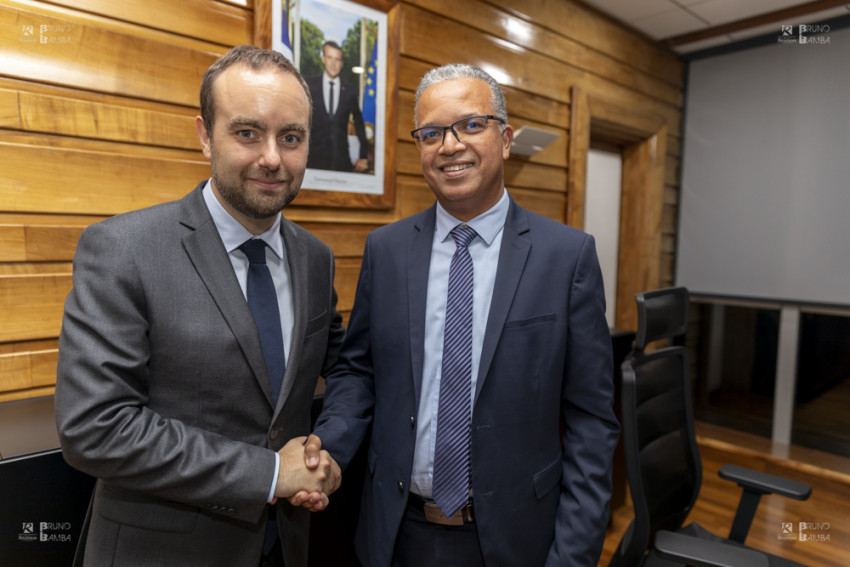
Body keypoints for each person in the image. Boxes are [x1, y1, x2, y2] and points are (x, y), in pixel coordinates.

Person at [307, 63, 620, 566]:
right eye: (431, 133)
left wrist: (574, 556)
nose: (450, 146)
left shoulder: (567, 257)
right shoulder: (385, 251)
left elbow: (591, 423)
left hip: (517, 539)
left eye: (471, 125)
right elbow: (358, 371)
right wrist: (329, 447)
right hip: (395, 533)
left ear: (506, 138)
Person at [54, 45, 344, 567]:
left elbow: (343, 368)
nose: (273, 158)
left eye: (291, 137)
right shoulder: (123, 249)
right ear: (206, 135)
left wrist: (327, 456)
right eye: (248, 132)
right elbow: (95, 427)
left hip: (286, 544)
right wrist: (271, 474)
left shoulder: (315, 259)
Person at [306, 40, 370, 172]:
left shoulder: (350, 91)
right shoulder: (309, 85)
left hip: (340, 161)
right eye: (330, 57)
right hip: (312, 160)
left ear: (341, 64)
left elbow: (359, 124)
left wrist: (363, 156)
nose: (333, 63)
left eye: (337, 59)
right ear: (323, 59)